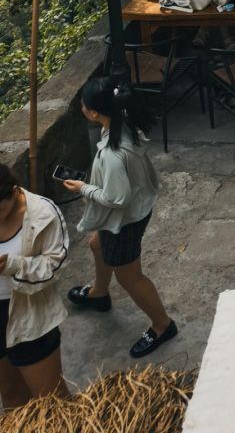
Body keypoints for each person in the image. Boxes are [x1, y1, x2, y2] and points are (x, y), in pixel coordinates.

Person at [65, 78, 177, 360]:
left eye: (83, 104)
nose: (82, 107)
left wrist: (84, 188)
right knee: (97, 244)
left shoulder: (114, 155)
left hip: (126, 218)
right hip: (136, 206)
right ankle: (99, 293)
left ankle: (163, 325)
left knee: (130, 277)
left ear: (93, 113)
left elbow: (116, 199)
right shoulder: (122, 122)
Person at [0, 163, 69, 408]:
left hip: (29, 310)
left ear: (11, 192)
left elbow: (53, 264)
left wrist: (13, 265)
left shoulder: (42, 213)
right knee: (10, 394)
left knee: (53, 402)